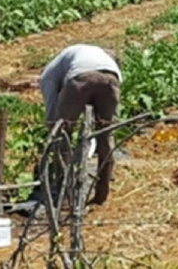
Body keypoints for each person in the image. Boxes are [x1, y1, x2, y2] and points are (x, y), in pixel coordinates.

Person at [39, 44, 122, 205]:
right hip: (112, 77)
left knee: (62, 136)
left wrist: (54, 126)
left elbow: (52, 117)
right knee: (105, 136)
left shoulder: (47, 76)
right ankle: (101, 195)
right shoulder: (93, 54)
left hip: (80, 76)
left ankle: (65, 194)